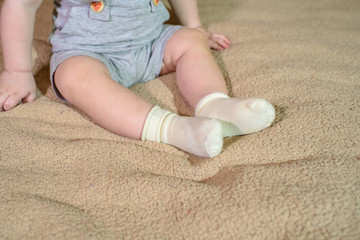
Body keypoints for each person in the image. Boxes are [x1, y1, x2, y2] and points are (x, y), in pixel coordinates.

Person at [0, 0, 275, 157]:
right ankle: (173, 129)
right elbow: (21, 4)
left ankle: (216, 106)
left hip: (152, 42)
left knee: (189, 41)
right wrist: (18, 71)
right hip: (88, 51)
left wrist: (194, 25)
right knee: (73, 75)